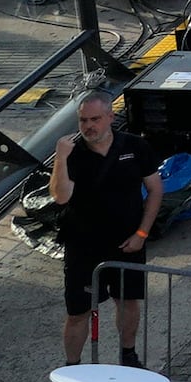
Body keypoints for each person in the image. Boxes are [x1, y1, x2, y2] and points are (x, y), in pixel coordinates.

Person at [56, 88, 167, 365]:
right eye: (83, 121)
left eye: (95, 119)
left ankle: (128, 355)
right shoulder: (71, 152)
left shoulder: (135, 147)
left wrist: (142, 234)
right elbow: (60, 196)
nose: (89, 127)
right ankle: (72, 371)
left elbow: (155, 190)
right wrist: (60, 157)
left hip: (126, 242)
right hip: (83, 246)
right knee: (78, 312)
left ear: (110, 117)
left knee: (128, 301)